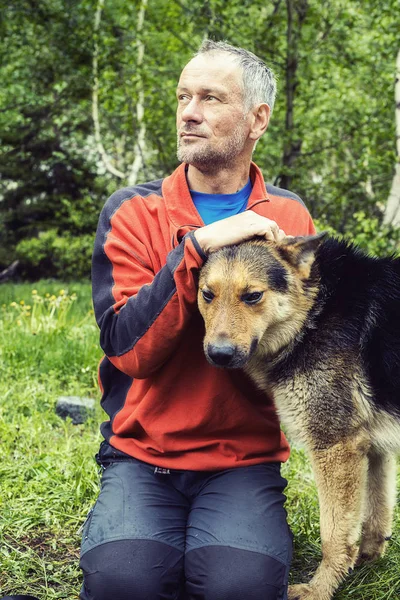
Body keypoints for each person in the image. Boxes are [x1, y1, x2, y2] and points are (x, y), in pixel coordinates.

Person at [80, 39, 315, 600]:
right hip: (143, 454)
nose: (188, 112)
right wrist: (198, 247)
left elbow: (305, 339)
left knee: (242, 589)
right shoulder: (133, 211)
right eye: (184, 96)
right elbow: (129, 350)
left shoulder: (287, 216)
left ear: (257, 118)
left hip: (243, 458)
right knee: (122, 585)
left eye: (210, 98)